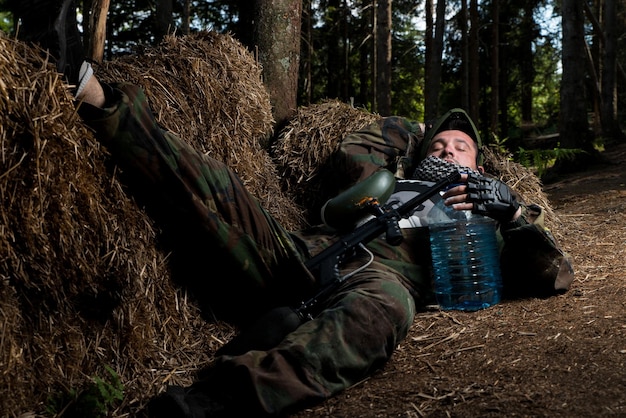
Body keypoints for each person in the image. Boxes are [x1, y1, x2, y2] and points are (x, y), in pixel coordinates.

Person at [11, 1, 574, 417]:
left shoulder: (485, 213)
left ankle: (202, 406)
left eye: (462, 149)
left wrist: (512, 214)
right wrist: (417, 135)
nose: (449, 153)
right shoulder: (389, 176)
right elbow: (354, 150)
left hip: (385, 279)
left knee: (373, 324)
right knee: (219, 187)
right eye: (441, 147)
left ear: (480, 166)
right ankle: (100, 100)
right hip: (305, 253)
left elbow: (552, 277)